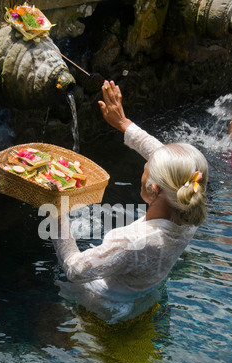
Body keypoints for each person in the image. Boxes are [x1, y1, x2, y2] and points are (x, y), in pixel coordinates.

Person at [51, 80, 209, 323]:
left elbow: (75, 270)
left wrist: (56, 211)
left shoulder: (130, 242)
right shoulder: (191, 207)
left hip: (104, 309)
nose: (145, 165)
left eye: (146, 167)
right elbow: (168, 159)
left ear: (153, 189)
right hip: (145, 298)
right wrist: (124, 124)